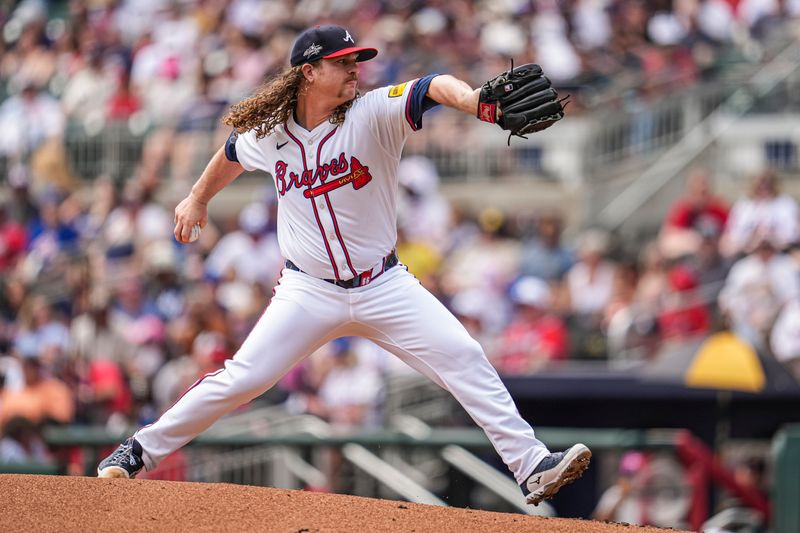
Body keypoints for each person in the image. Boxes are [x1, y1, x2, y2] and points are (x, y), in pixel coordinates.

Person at [96, 24, 591, 506]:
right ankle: (138, 450)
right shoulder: (272, 134)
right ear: (309, 71)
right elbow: (230, 152)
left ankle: (532, 467)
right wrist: (197, 198)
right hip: (308, 291)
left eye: (357, 61)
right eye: (344, 62)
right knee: (242, 378)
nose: (356, 69)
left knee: (463, 356)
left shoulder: (373, 111)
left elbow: (431, 86)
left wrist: (474, 101)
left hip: (384, 284)